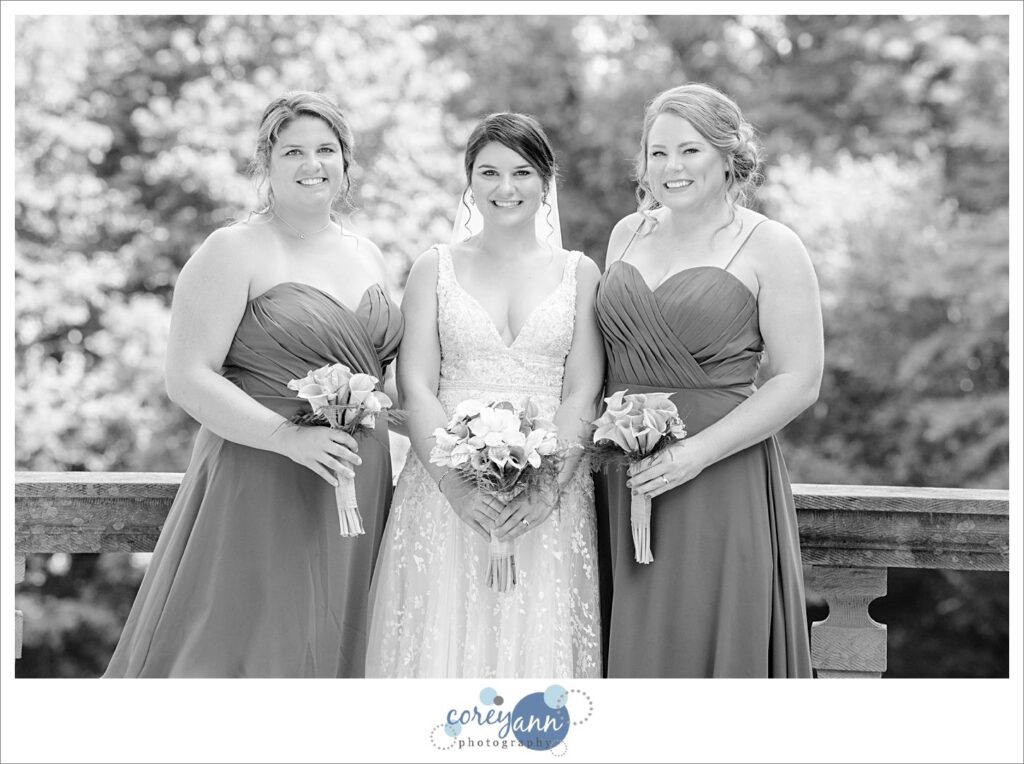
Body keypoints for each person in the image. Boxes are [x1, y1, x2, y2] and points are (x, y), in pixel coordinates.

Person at [104, 91, 403, 677]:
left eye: (325, 149)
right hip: (263, 477)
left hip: (357, 486)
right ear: (266, 164)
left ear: (346, 161)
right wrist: (287, 437)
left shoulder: (368, 253)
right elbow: (186, 377)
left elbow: (390, 384)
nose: (311, 164)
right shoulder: (233, 248)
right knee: (246, 643)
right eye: (292, 151)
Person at [365, 113, 604, 678]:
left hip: (550, 493)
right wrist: (455, 487)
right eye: (489, 172)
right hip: (444, 490)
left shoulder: (580, 272)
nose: (505, 188)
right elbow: (415, 385)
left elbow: (582, 390)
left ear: (546, 182)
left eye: (522, 172)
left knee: (536, 646)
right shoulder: (435, 268)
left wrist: (547, 492)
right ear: (469, 181)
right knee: (437, 642)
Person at [595, 83, 820, 678]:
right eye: (658, 152)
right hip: (623, 475)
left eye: (690, 150)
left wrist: (696, 453)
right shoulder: (627, 234)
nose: (672, 167)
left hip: (718, 475)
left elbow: (798, 380)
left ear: (727, 155)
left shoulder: (771, 244)